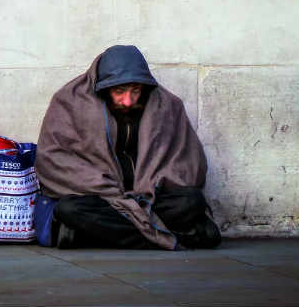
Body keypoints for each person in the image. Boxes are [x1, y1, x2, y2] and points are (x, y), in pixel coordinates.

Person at [35, 45, 220, 250]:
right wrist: (104, 186)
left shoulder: (167, 105)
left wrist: (153, 184)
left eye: (136, 91)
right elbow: (53, 160)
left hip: (150, 200)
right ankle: (173, 239)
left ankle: (93, 237)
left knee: (192, 201)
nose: (128, 101)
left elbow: (187, 161)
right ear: (103, 88)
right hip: (102, 199)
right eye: (119, 92)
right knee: (69, 209)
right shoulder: (69, 102)